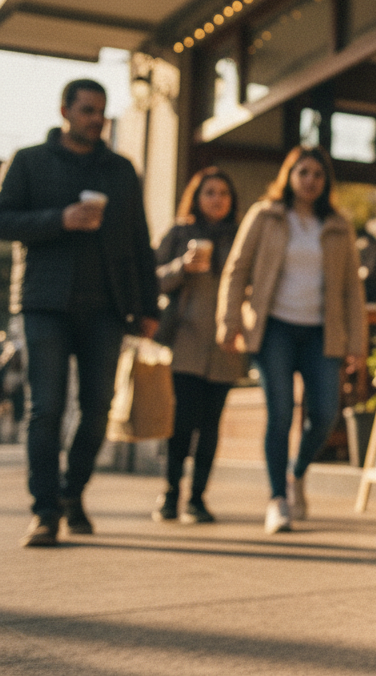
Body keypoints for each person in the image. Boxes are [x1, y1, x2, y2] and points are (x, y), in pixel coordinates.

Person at [0, 79, 159, 547]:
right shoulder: (29, 161)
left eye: (101, 112)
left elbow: (139, 241)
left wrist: (148, 306)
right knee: (45, 409)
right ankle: (45, 511)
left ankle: (73, 493)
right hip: (43, 303)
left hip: (106, 307)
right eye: (87, 110)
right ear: (65, 110)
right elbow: (3, 219)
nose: (96, 119)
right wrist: (60, 219)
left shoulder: (120, 170)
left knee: (98, 410)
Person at [218, 146, 366, 534]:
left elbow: (352, 287)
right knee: (280, 413)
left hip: (322, 331)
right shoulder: (265, 216)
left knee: (324, 415)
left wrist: (357, 344)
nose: (310, 180)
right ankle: (277, 500)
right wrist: (229, 320)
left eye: (318, 174)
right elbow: (237, 270)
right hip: (274, 329)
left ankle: (295, 474)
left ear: (326, 181)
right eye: (303, 172)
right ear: (289, 175)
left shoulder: (337, 224)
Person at [153, 167, 247, 524]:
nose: (217, 199)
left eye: (224, 193)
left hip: (225, 344)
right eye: (210, 192)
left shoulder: (239, 236)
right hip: (185, 342)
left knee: (210, 426)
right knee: (182, 422)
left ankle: (197, 498)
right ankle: (170, 493)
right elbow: (153, 280)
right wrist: (182, 267)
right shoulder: (179, 234)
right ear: (197, 196)